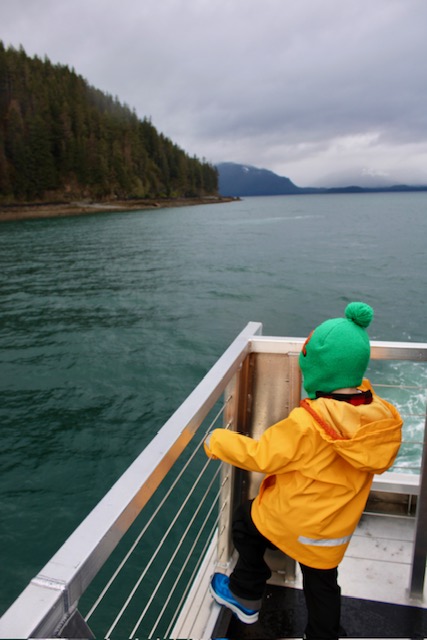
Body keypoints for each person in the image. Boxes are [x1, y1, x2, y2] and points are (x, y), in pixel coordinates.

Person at [204, 302, 402, 639]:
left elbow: (262, 456)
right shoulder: (379, 416)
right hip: (333, 530)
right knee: (323, 587)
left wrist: (217, 441)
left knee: (245, 522)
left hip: (292, 520)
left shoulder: (309, 422)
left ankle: (245, 595)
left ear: (317, 367)